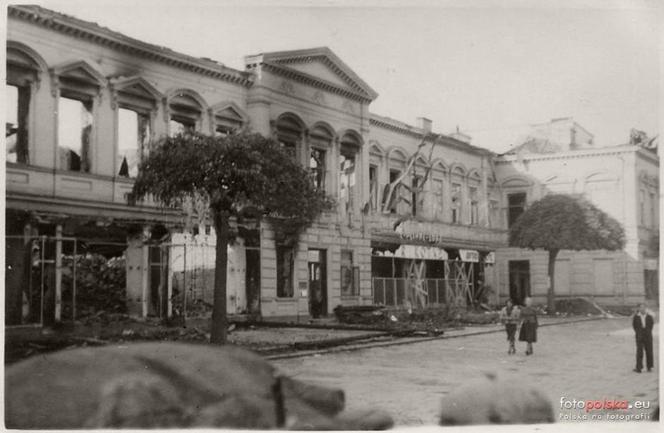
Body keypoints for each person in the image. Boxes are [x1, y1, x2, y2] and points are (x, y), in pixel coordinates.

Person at [632, 303, 654, 373]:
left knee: (649, 351)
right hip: (639, 336)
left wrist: (647, 332)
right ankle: (639, 368)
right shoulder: (636, 317)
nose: (642, 309)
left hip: (648, 335)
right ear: (638, 309)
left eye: (644, 307)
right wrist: (639, 333)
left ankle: (649, 367)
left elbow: (651, 326)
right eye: (641, 308)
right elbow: (634, 326)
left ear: (646, 308)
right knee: (639, 352)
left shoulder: (649, 316)